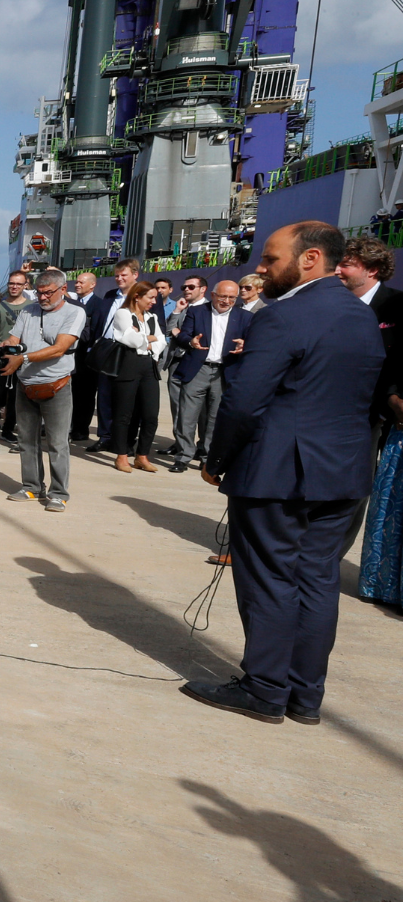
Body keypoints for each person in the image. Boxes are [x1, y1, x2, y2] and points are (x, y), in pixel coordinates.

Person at [186, 221, 384, 723]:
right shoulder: (361, 315)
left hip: (277, 474)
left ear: (310, 258)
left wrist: (217, 461)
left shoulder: (284, 316)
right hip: (342, 473)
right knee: (317, 582)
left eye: (271, 259)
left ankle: (265, 689)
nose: (261, 269)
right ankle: (303, 695)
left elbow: (244, 401)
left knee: (270, 580)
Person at [340, 235, 403, 583]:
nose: (338, 270)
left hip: (378, 417)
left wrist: (389, 400)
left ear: (373, 269)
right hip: (330, 411)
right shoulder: (331, 303)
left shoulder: (397, 305)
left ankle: (328, 557)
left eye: (347, 264)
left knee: (357, 491)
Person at [4, 268, 87, 511]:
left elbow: (60, 348)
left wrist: (23, 358)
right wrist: (5, 348)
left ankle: (58, 493)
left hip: (56, 385)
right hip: (25, 385)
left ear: (63, 289)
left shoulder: (75, 312)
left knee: (57, 443)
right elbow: (14, 339)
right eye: (39, 293)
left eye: (48, 293)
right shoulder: (28, 310)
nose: (42, 298)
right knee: (26, 440)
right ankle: (31, 486)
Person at [171, 280, 250, 471]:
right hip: (198, 368)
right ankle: (183, 456)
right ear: (213, 295)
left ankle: (208, 457)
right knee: (187, 415)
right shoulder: (197, 312)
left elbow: (253, 341)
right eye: (223, 296)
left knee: (216, 418)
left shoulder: (245, 317)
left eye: (232, 298)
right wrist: (191, 342)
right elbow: (182, 335)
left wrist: (245, 345)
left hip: (225, 371)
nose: (226, 301)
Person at [75, 258, 139, 448]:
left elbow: (156, 323)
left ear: (135, 275)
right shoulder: (111, 295)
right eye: (117, 276)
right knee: (104, 397)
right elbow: (99, 322)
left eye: (123, 275)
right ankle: (105, 437)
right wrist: (93, 346)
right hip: (107, 351)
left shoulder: (144, 295)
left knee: (127, 399)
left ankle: (125, 440)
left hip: (131, 352)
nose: (119, 279)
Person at [104, 281, 167, 473]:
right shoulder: (123, 314)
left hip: (149, 365)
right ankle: (121, 455)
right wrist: (148, 339)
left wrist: (146, 340)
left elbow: (162, 341)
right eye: (151, 297)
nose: (154, 302)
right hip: (128, 365)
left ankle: (142, 455)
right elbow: (129, 339)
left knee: (150, 414)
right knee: (124, 413)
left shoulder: (152, 317)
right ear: (137, 297)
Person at [0, 271, 33, 446]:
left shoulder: (32, 307)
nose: (14, 287)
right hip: (2, 356)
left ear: (25, 285)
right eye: (11, 283)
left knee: (16, 398)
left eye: (18, 284)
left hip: (22, 357)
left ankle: (8, 430)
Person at [162, 276, 207, 454]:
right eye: (184, 286)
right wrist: (176, 311)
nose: (186, 290)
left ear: (203, 289)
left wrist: (179, 334)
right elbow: (168, 330)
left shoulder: (209, 308)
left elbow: (203, 336)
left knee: (201, 408)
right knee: (177, 405)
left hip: (198, 363)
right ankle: (180, 443)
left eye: (191, 287)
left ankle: (202, 446)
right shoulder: (181, 307)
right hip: (176, 362)